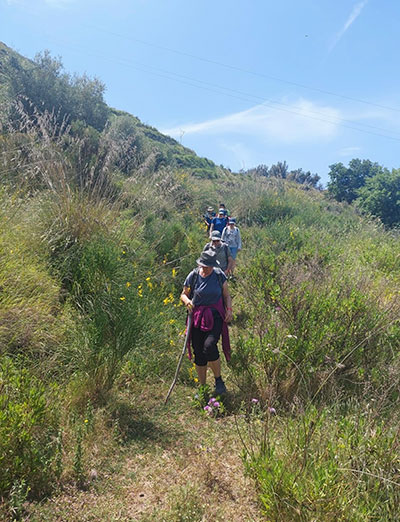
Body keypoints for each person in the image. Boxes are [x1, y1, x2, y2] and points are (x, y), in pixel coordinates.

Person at [180, 249, 232, 395]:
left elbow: (226, 295)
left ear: (213, 265)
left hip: (214, 316)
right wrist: (187, 301)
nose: (205, 268)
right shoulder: (194, 275)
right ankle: (202, 387)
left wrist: (229, 309)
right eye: (203, 266)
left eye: (207, 266)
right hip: (196, 317)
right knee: (198, 351)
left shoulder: (218, 275)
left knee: (209, 346)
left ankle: (218, 380)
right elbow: (184, 294)